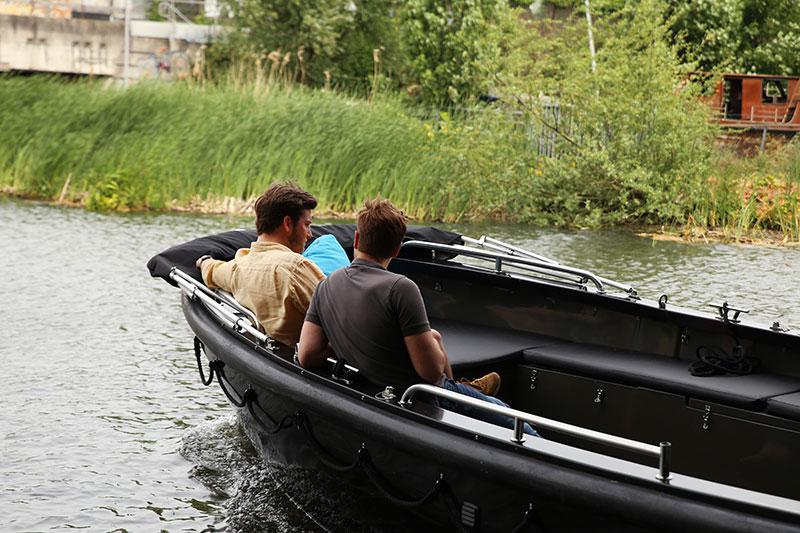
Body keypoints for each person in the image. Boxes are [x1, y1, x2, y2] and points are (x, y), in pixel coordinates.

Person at [298, 199, 535, 434]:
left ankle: (462, 390)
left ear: (357, 239)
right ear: (397, 249)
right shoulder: (401, 288)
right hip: (418, 399)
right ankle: (462, 391)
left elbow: (307, 355)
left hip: (370, 392)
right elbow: (430, 373)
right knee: (521, 427)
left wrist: (346, 341)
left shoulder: (326, 285)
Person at [196, 183, 325, 346]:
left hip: (272, 352)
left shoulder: (239, 266)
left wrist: (203, 262)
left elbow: (213, 270)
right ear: (287, 224)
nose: (310, 234)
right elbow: (338, 319)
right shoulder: (296, 268)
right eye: (306, 224)